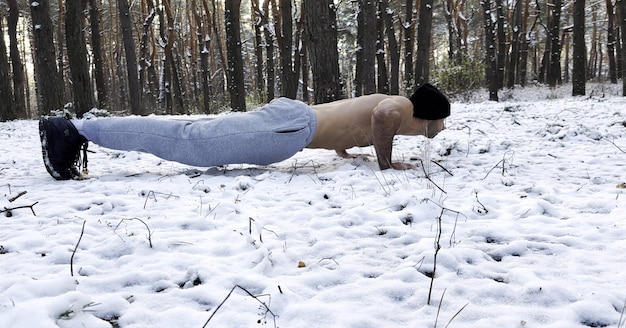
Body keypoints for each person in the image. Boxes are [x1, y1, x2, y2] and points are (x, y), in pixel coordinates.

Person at [39, 83, 450, 180]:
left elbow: (351, 123)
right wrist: (385, 163)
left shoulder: (396, 104)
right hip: (291, 128)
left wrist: (348, 153)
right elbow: (380, 118)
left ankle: (77, 130)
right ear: (428, 114)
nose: (437, 130)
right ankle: (73, 130)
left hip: (293, 120)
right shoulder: (400, 105)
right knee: (192, 141)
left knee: (195, 133)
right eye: (437, 124)